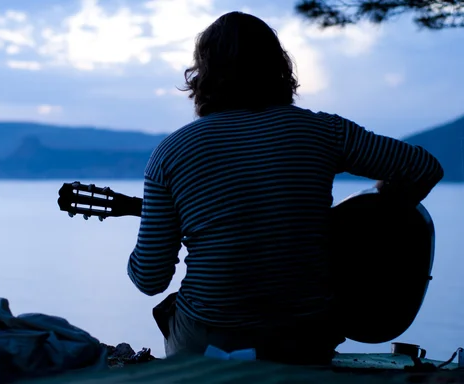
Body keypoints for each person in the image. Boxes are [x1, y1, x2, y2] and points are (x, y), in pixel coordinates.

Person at [126, 11, 444, 365]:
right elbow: (423, 168)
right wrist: (372, 218)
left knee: (172, 308)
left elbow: (151, 278)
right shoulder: (324, 132)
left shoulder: (172, 153)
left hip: (214, 343)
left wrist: (149, 244)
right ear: (279, 68)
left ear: (203, 76)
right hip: (304, 338)